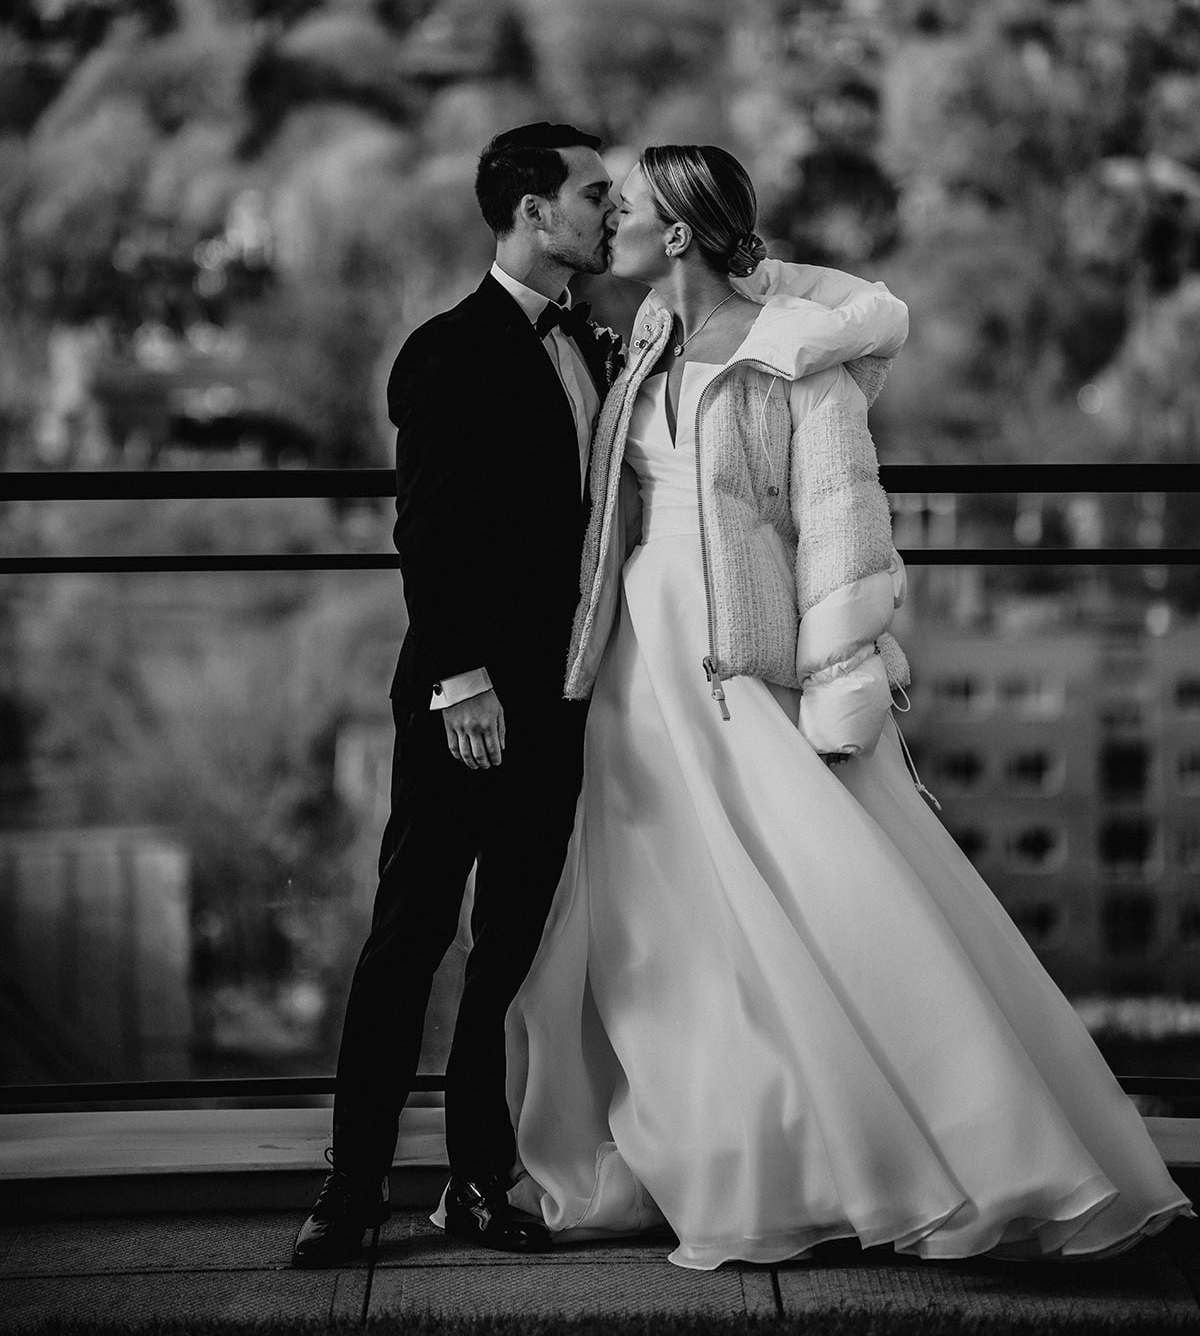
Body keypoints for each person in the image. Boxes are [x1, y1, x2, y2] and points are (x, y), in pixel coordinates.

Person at [506, 143, 1193, 1270]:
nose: (608, 217)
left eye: (626, 205)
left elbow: (840, 526)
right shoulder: (642, 345)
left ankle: (934, 1153)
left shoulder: (799, 362)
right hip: (639, 663)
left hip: (749, 661)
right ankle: (734, 1153)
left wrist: (839, 684)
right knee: (668, 917)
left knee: (824, 894)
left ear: (674, 234)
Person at [293, 122, 620, 1267]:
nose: (614, 213)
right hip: (463, 699)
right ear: (534, 212)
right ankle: (351, 1189)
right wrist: (461, 680)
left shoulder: (597, 344)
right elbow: (428, 533)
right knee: (410, 935)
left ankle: (479, 1177)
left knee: (508, 945)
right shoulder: (445, 351)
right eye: (595, 195)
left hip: (562, 699)